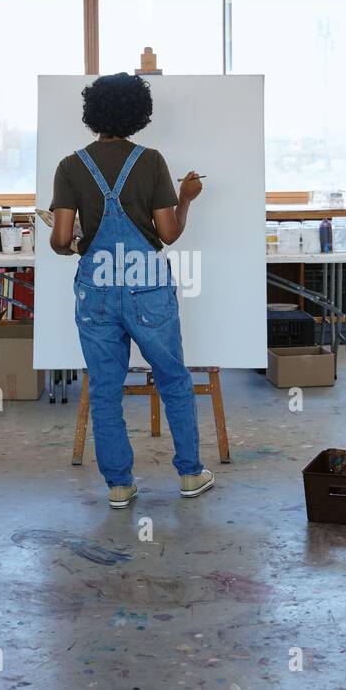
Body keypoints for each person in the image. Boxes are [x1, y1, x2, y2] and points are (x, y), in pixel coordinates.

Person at [49, 73, 211, 509]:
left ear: (92, 113)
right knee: (174, 379)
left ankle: (119, 485)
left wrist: (82, 241)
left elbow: (61, 241)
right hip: (147, 287)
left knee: (104, 388)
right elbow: (169, 233)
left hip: (96, 290)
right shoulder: (151, 160)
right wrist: (187, 197)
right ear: (138, 113)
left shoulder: (70, 165)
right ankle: (191, 474)